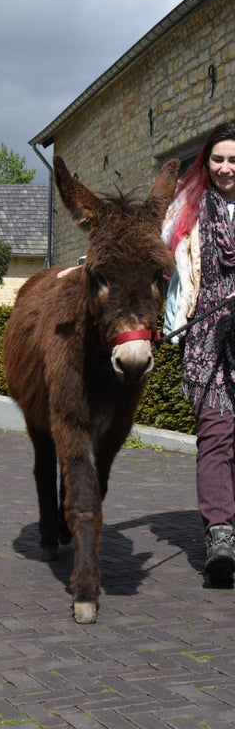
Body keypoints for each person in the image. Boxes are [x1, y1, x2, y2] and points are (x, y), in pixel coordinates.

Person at [162, 121, 235, 584]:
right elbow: (159, 258)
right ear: (206, 162)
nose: (227, 168)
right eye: (219, 159)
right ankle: (221, 536)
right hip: (208, 337)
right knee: (216, 433)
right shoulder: (186, 210)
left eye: (234, 160)